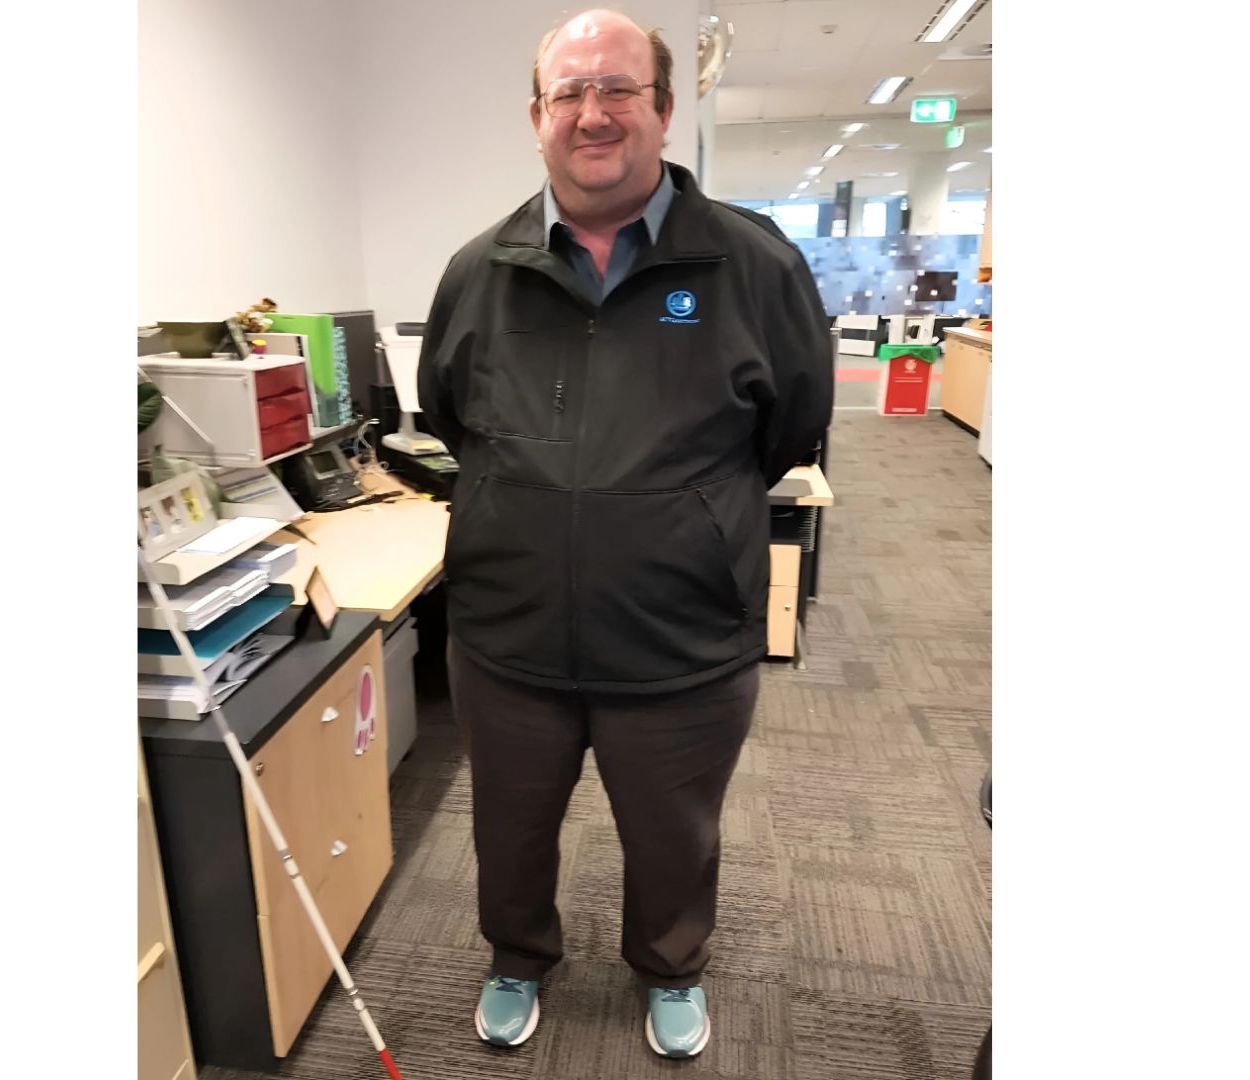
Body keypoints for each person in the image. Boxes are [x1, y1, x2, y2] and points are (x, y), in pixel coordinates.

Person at [417, 7, 833, 1060]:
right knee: (507, 832)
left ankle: (671, 967)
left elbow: (790, 428)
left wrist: (672, 519)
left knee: (674, 837)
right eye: (569, 93)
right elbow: (451, 420)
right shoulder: (479, 271)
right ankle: (518, 957)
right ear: (536, 115)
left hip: (683, 641)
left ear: (662, 107)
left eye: (618, 90)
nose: (592, 114)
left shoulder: (753, 265)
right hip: (510, 639)